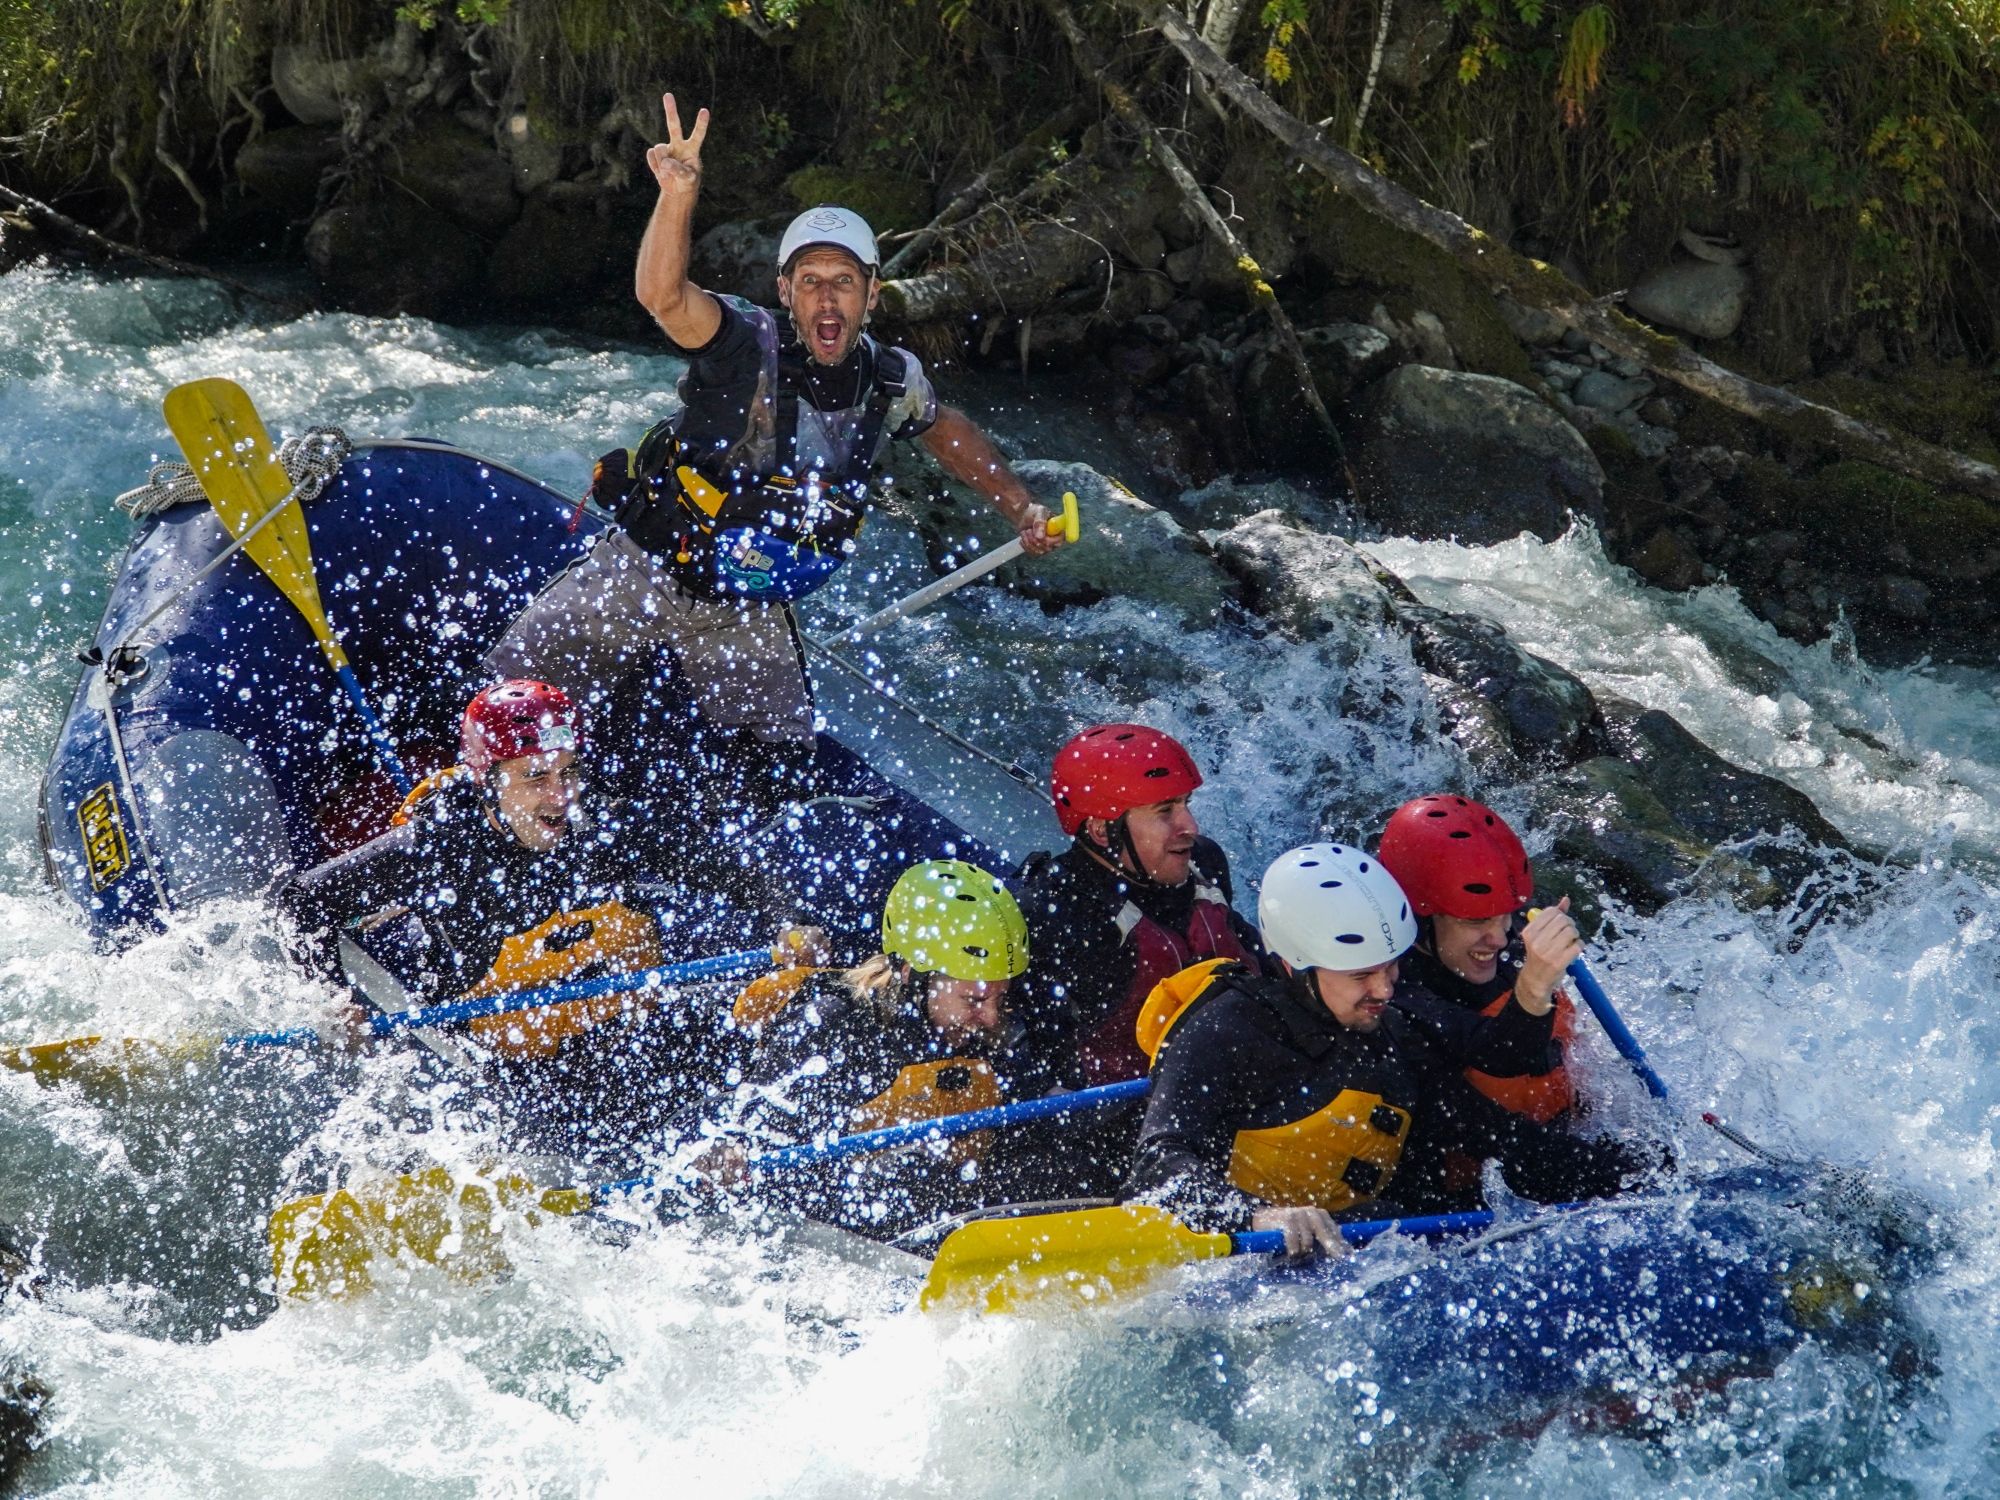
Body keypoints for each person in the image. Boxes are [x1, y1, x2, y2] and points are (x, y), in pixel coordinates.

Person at [483, 92, 1068, 834]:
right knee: (510, 697)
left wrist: (1017, 505)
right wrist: (677, 196)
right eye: (812, 281)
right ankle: (505, 829)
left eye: (845, 282)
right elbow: (662, 297)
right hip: (645, 570)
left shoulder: (891, 377)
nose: (829, 300)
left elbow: (944, 426)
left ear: (871, 295)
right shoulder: (741, 342)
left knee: (778, 769)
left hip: (746, 608)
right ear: (786, 290)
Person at [1124, 843, 1646, 1256]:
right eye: (1361, 974)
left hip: (1362, 1247)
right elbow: (1158, 1166)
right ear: (1293, 966)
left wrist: (1639, 1177)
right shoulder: (1224, 1032)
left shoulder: (1392, 1036)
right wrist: (1256, 1215)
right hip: (1250, 1258)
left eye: (1390, 966)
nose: (1384, 989)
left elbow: (1498, 1135)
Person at [279, 680, 662, 1061]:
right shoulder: (436, 848)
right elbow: (299, 902)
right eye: (535, 776)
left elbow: (718, 864)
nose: (560, 797)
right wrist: (330, 999)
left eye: (568, 772)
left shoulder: (604, 824)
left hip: (626, 1040)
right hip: (499, 1066)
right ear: (486, 780)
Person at [708, 858, 1030, 1236]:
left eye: (1000, 999)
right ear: (913, 974)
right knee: (918, 1176)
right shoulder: (833, 1028)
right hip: (825, 1229)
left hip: (938, 1221)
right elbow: (775, 1159)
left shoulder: (988, 1035)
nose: (991, 1018)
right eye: (974, 1001)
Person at [1015, 723, 1263, 1091]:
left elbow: (1264, 972)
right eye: (1165, 811)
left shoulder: (1203, 863)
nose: (1189, 826)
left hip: (1238, 1085)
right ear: (1102, 831)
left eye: (1185, 805)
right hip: (1126, 1119)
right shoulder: (1051, 913)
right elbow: (1022, 1057)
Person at [1376, 794, 1581, 1124]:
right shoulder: (1392, 996)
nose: (1500, 938)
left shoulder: (1512, 934)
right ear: (1418, 919)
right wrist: (1533, 988)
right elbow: (1503, 1055)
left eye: (1505, 915)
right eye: (1474, 921)